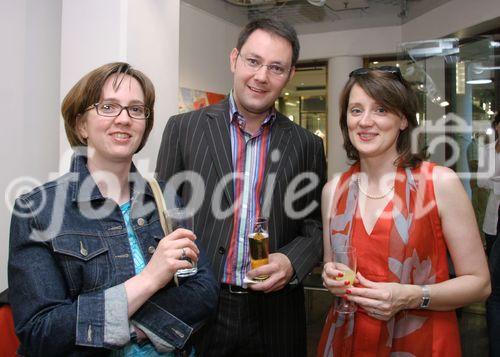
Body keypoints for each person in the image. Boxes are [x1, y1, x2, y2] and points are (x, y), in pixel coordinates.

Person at [8, 62, 218, 356]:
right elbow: (42, 331)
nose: (124, 119)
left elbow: (204, 292)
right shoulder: (37, 211)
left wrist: (130, 323)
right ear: (81, 124)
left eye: (136, 109)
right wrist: (149, 280)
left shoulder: (165, 197)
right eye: (108, 107)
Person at [156, 18, 326, 357]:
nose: (261, 76)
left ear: (290, 75)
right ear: (234, 59)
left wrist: (291, 262)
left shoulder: (306, 145)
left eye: (276, 67)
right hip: (197, 304)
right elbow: (160, 217)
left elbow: (315, 228)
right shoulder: (183, 128)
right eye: (253, 61)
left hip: (275, 314)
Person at [318, 66, 491, 356]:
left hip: (419, 341)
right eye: (356, 110)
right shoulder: (333, 190)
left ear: (402, 120)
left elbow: (480, 284)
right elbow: (331, 266)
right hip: (347, 339)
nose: (365, 121)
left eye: (381, 110)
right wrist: (330, 276)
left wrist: (412, 296)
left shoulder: (439, 183)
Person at [477, 113, 500, 356]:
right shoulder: (488, 151)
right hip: (493, 221)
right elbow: (482, 182)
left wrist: (495, 180)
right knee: (494, 281)